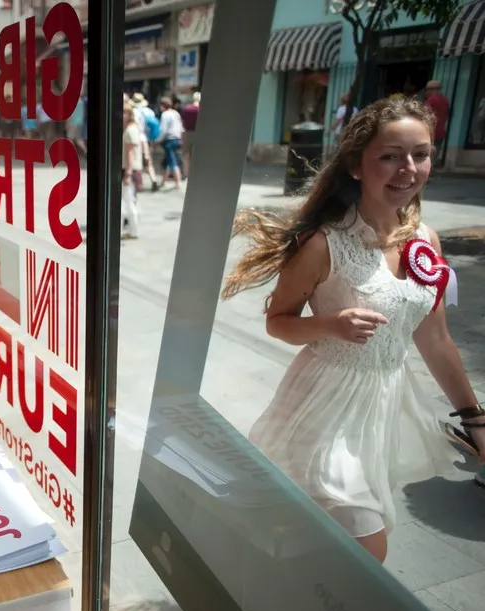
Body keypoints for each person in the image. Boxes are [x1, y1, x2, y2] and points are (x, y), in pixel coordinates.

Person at [221, 97, 483, 563]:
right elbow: (278, 322)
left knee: (326, 543)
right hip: (325, 405)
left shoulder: (426, 241)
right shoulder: (325, 243)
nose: (408, 168)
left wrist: (475, 419)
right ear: (357, 166)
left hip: (383, 407)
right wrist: (329, 325)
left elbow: (435, 339)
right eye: (390, 155)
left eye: (420, 154)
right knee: (367, 546)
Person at [130, 93, 160, 192]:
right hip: (146, 138)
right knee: (148, 160)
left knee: (136, 160)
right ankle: (154, 179)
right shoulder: (149, 111)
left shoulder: (133, 112)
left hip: (136, 137)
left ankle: (139, 183)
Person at [121, 104, 143, 240]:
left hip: (131, 169)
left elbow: (130, 153)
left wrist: (128, 173)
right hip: (134, 168)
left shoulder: (130, 130)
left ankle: (133, 230)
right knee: (131, 200)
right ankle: (132, 229)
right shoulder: (134, 128)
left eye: (124, 113)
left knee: (129, 200)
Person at [155, 97, 183, 190]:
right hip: (177, 138)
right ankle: (164, 180)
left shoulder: (165, 115)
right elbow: (180, 126)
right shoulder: (176, 113)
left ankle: (178, 181)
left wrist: (157, 140)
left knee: (172, 161)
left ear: (163, 106)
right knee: (166, 161)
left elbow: (163, 130)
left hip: (169, 140)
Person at [423, 80, 449, 166]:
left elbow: (423, 115)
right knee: (434, 154)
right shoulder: (445, 100)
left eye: (427, 90)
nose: (426, 92)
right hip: (441, 132)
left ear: (431, 90)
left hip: (430, 131)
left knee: (426, 154)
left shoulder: (431, 101)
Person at [180, 91, 200, 176]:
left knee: (186, 155)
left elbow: (182, 121)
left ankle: (186, 173)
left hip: (188, 133)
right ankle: (197, 172)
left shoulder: (187, 108)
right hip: (200, 134)